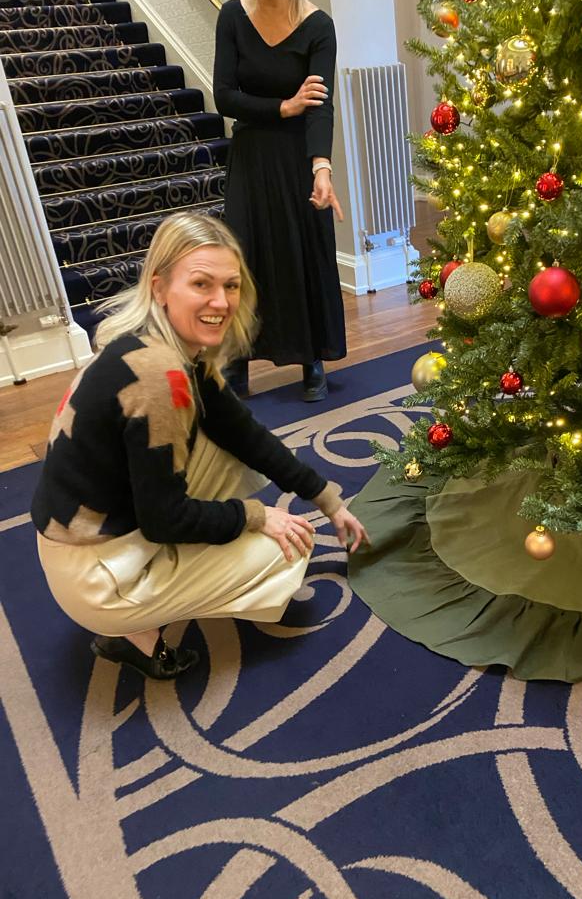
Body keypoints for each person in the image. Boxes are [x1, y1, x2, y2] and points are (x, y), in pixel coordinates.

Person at [32, 213, 368, 680]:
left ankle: (150, 590)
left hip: (84, 537)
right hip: (96, 574)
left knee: (221, 442)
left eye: (231, 286)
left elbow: (243, 433)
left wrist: (327, 500)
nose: (221, 302)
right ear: (159, 287)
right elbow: (163, 519)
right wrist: (255, 516)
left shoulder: (155, 344)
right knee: (287, 549)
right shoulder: (161, 376)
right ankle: (131, 630)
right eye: (201, 284)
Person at [213, 0, 346, 402]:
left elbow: (320, 106)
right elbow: (224, 95)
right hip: (250, 157)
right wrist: (283, 107)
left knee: (302, 251)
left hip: (296, 159)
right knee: (244, 257)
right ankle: (238, 358)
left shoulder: (318, 26)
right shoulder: (232, 16)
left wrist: (322, 168)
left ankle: (311, 358)